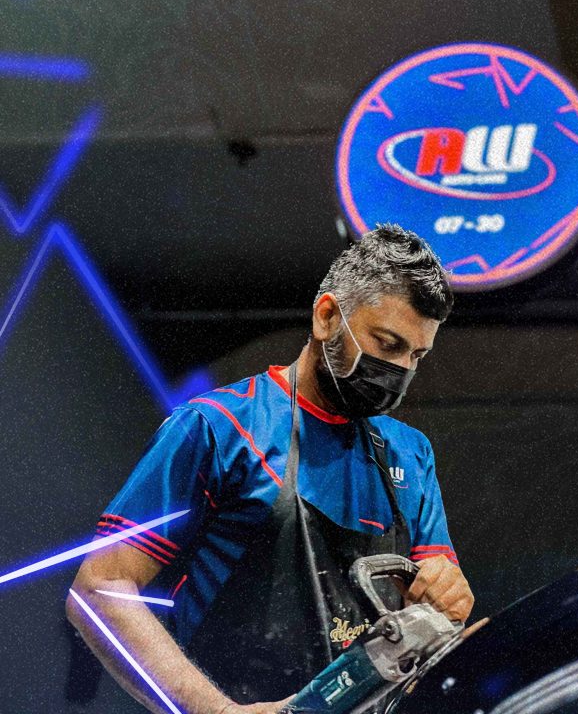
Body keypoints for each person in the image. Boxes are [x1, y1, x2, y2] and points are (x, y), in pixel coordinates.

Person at [66, 224, 473, 714]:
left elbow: (438, 604)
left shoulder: (410, 454)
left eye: (416, 355)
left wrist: (449, 595)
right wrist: (219, 713)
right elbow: (101, 589)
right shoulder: (219, 429)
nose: (401, 369)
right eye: (387, 344)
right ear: (327, 317)